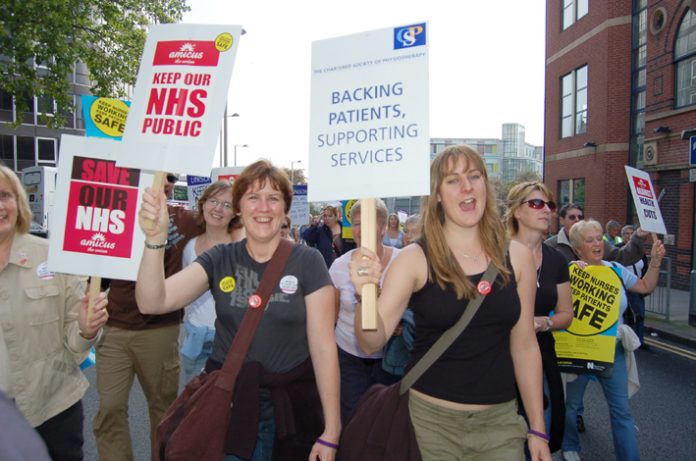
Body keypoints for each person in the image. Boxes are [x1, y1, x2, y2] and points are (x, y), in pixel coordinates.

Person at [348, 145, 552, 461]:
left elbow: (524, 346)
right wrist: (366, 292)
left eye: (474, 176)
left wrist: (538, 428)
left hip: (500, 425)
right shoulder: (415, 259)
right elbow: (370, 340)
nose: (467, 187)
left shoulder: (518, 257)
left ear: (486, 184)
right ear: (438, 195)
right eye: (453, 180)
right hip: (429, 424)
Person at [135, 160, 340, 461]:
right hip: (229, 410)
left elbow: (323, 347)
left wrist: (332, 430)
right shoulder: (220, 258)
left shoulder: (308, 261)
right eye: (253, 197)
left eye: (273, 198)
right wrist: (154, 240)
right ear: (239, 208)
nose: (264, 207)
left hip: (292, 414)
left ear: (285, 209)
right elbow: (153, 301)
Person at [0, 165, 108, 460]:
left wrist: (86, 329)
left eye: (4, 195)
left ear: (18, 202)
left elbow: (75, 343)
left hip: (54, 410)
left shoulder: (54, 257)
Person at [93, 172, 201, 461]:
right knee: (109, 410)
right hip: (112, 327)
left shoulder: (184, 219)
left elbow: (226, 218)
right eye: (156, 172)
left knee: (164, 412)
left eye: (171, 177)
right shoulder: (114, 212)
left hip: (160, 330)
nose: (164, 180)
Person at [560, 219, 665, 461]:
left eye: (599, 238)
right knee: (571, 407)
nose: (597, 243)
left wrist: (656, 261)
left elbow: (645, 285)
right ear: (577, 248)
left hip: (612, 350)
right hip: (580, 350)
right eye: (590, 240)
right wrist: (570, 274)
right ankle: (569, 445)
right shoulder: (569, 272)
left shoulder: (615, 269)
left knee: (622, 412)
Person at [506, 181, 574, 454]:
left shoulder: (556, 260)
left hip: (541, 353)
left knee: (541, 430)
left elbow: (566, 314)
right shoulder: (495, 253)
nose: (546, 210)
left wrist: (544, 322)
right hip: (498, 356)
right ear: (517, 211)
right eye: (536, 203)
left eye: (550, 205)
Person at [329, 198, 400, 424]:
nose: (360, 230)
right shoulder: (340, 266)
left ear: (382, 226)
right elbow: (331, 316)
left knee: (386, 421)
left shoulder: (402, 261)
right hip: (349, 356)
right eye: (356, 223)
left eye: (367, 223)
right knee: (353, 419)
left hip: (391, 360)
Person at [181, 181, 242, 383]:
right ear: (203, 204)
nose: (218, 209)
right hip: (195, 338)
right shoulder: (190, 246)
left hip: (230, 340)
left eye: (226, 205)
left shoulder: (241, 248)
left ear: (235, 212)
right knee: (194, 404)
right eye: (213, 201)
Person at [545, 204, 644, 265]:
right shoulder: (550, 246)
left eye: (580, 217)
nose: (577, 220)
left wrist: (638, 236)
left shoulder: (598, 243)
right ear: (562, 220)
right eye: (572, 217)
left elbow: (622, 257)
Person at [619, 225, 649, 346]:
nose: (629, 235)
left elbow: (645, 268)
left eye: (632, 233)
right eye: (626, 233)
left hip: (637, 287)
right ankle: (626, 341)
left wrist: (645, 283)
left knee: (640, 315)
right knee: (625, 316)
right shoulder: (618, 249)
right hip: (624, 288)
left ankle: (640, 341)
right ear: (622, 235)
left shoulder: (640, 251)